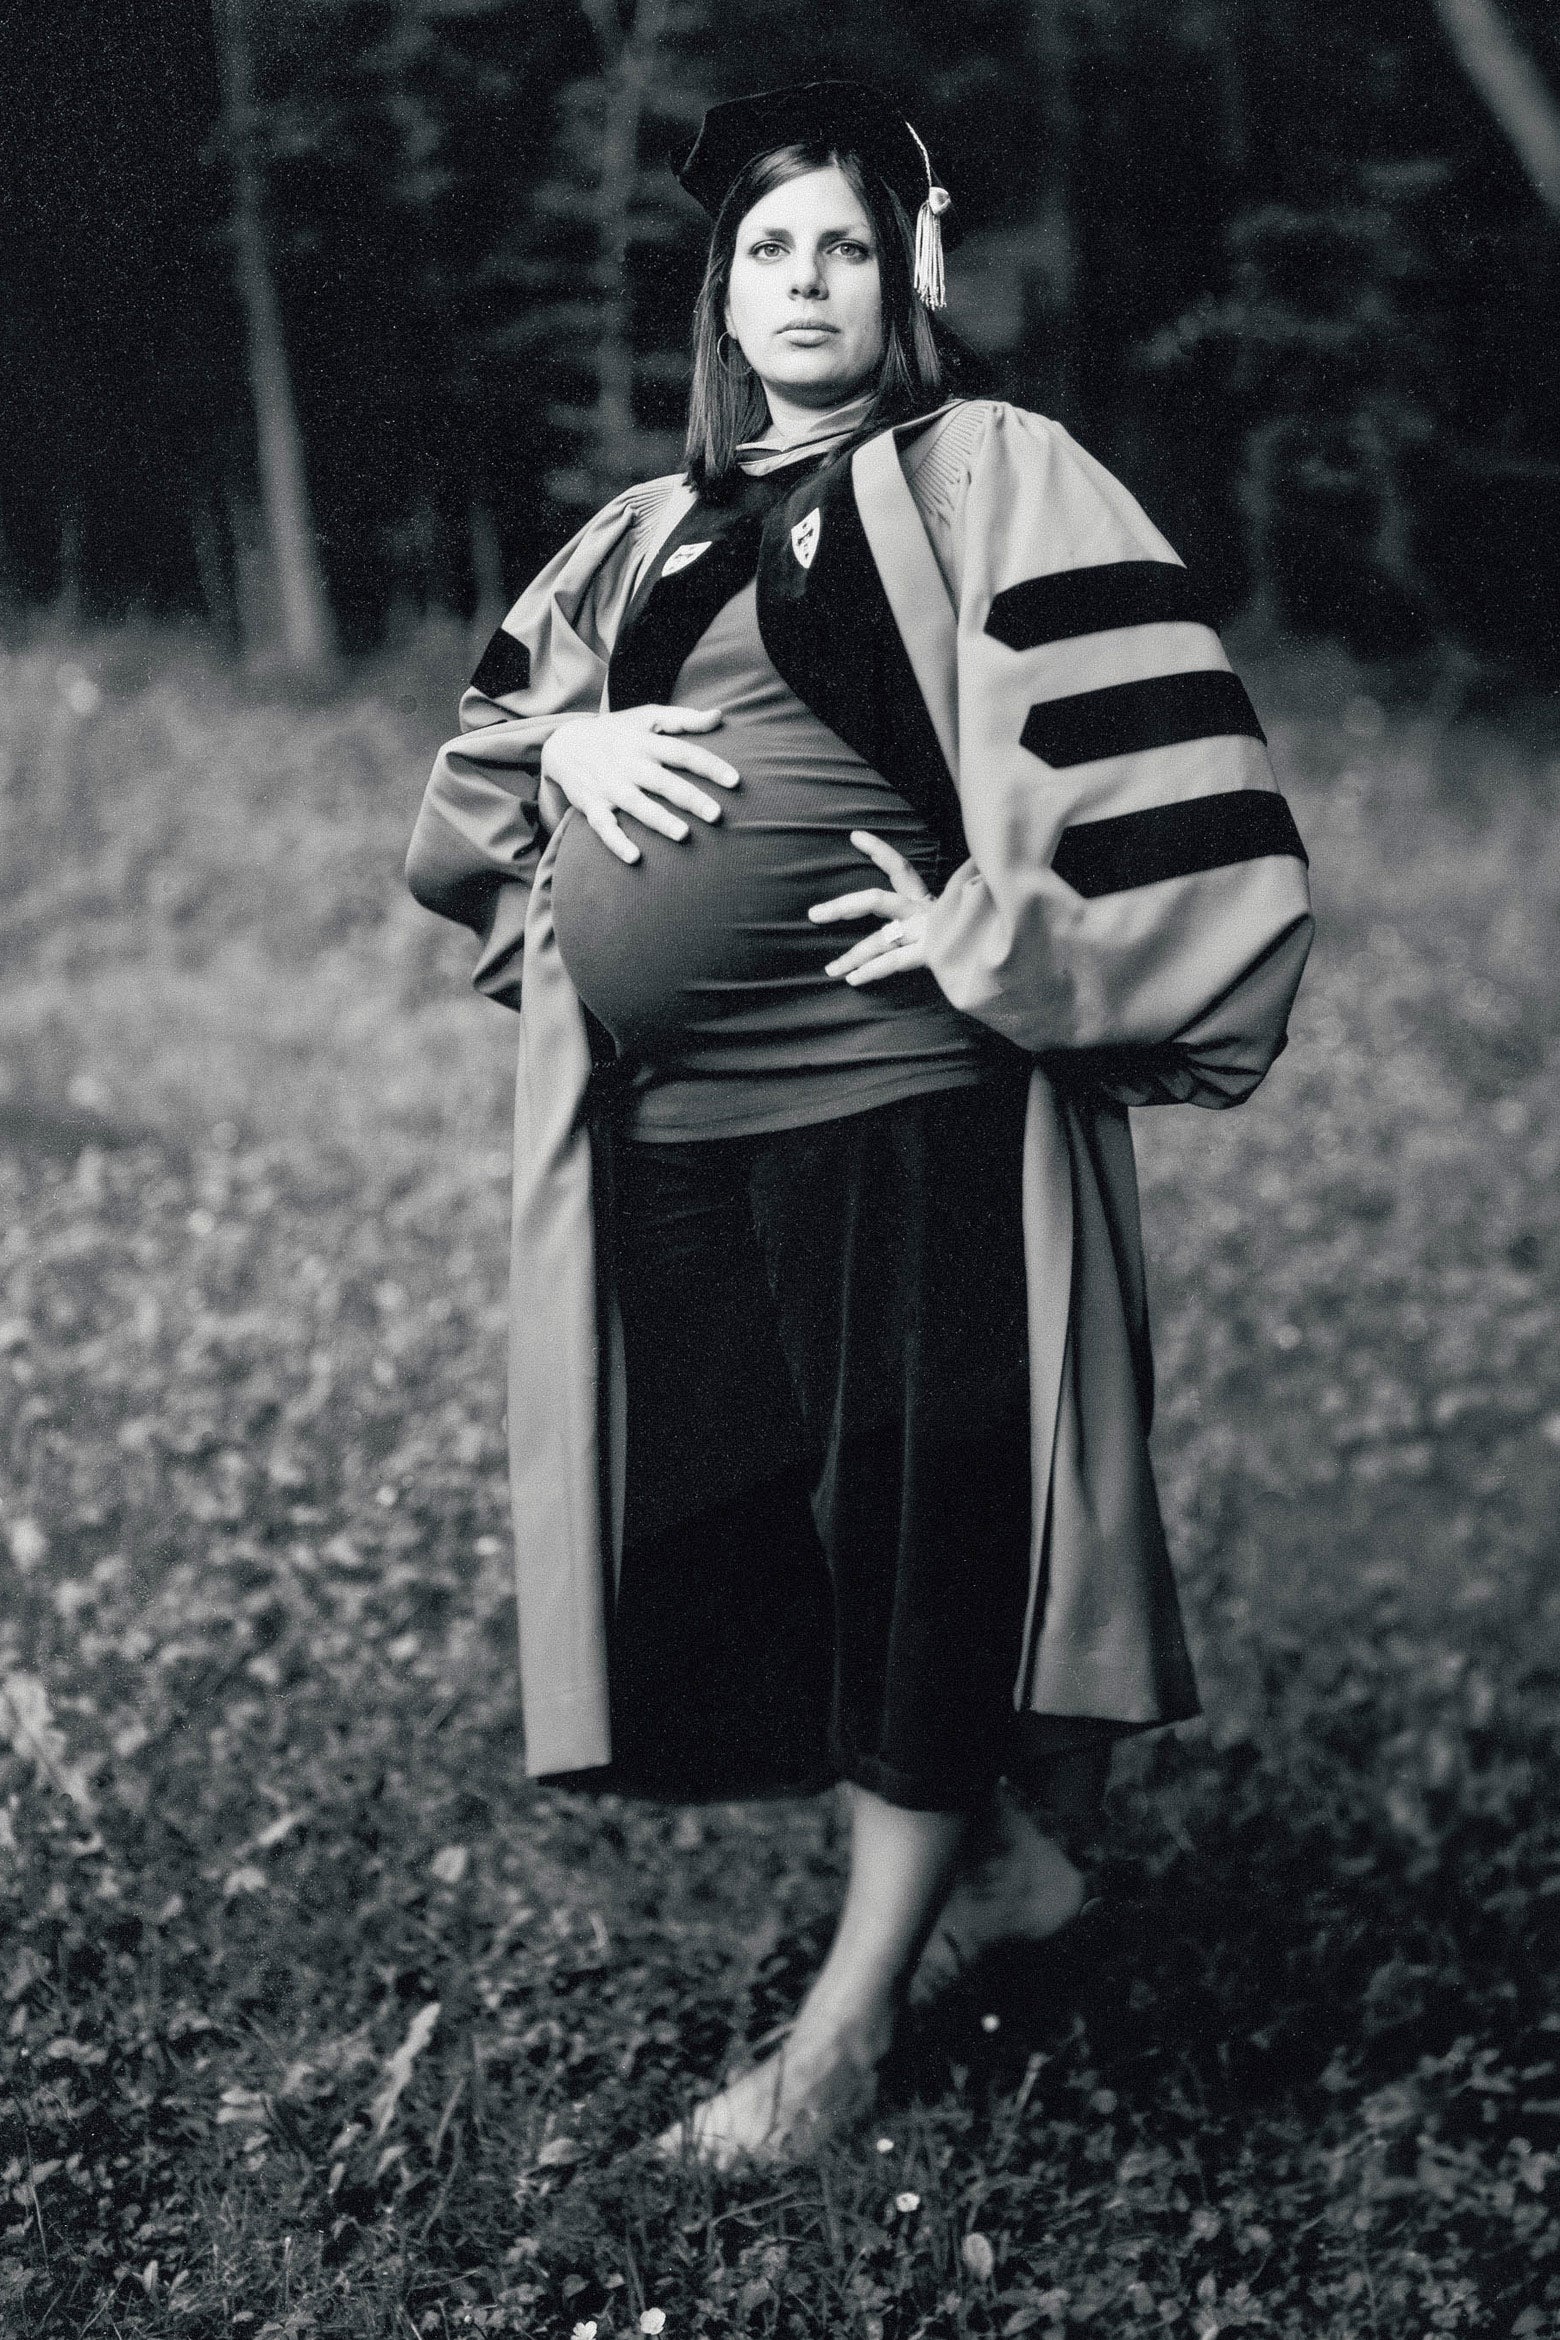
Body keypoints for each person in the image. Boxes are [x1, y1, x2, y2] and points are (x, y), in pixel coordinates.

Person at [405, 79, 1313, 2166]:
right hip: (678, 1128)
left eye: (839, 244)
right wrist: (571, 748)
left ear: (905, 275)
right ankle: (1006, 1857)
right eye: (763, 251)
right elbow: (466, 788)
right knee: (790, 1547)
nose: (800, 281)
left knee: (918, 1537)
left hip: (903, 1106)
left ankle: (843, 2038)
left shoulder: (993, 472)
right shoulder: (642, 533)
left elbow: (1171, 791)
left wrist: (1000, 939)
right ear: (719, 300)